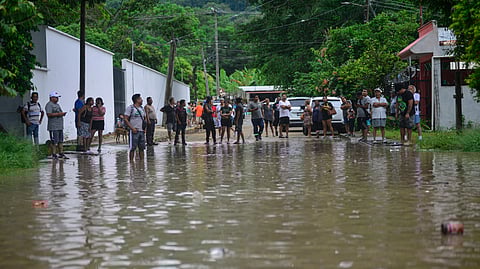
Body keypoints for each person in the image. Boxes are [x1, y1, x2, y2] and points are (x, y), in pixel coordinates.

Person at [45, 91, 68, 159]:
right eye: (56, 97)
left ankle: (61, 153)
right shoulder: (49, 105)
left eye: (58, 97)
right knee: (54, 140)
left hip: (60, 126)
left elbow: (60, 112)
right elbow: (49, 114)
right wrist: (59, 114)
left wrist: (62, 114)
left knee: (60, 140)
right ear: (52, 98)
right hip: (53, 126)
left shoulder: (57, 105)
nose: (57, 99)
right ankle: (54, 154)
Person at [124, 93, 147, 161]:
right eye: (140, 99)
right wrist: (132, 128)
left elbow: (144, 118)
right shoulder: (130, 108)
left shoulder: (142, 109)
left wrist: (145, 128)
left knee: (142, 148)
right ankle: (131, 164)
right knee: (132, 148)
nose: (142, 100)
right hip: (134, 131)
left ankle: (142, 164)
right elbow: (125, 119)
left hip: (142, 131)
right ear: (137, 100)